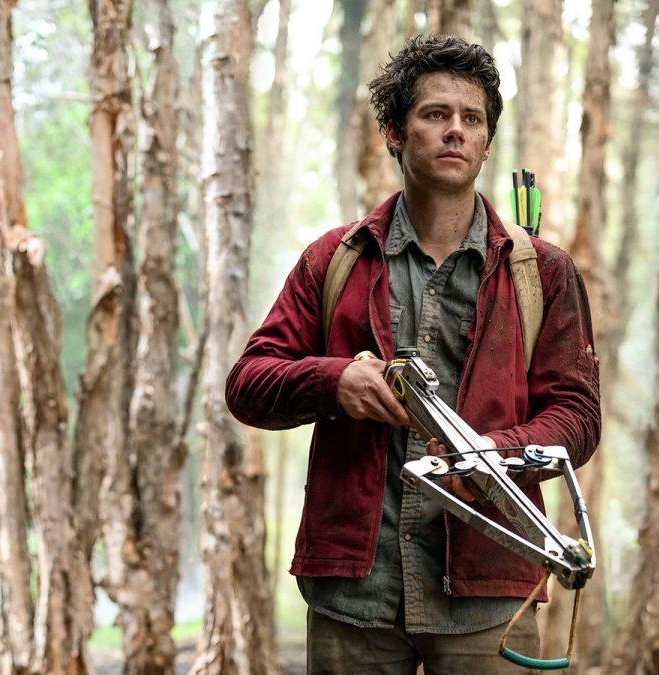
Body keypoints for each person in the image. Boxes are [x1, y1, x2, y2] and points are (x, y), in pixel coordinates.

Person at [225, 34, 601, 675]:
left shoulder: (541, 273)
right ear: (394, 133)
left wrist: (493, 456)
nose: (455, 130)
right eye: (435, 114)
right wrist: (334, 382)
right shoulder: (335, 260)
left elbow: (578, 416)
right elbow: (248, 383)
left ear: (486, 141)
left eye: (472, 119)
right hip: (354, 593)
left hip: (490, 591)